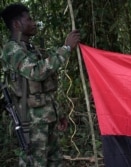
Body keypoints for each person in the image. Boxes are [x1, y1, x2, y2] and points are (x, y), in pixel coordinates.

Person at [0, 3, 80, 166]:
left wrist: (59, 113)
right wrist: (66, 48)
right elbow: (37, 72)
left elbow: (45, 86)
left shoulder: (31, 49)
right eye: (29, 19)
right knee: (36, 162)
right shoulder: (11, 50)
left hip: (47, 118)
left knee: (55, 161)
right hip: (32, 122)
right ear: (16, 24)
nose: (33, 22)